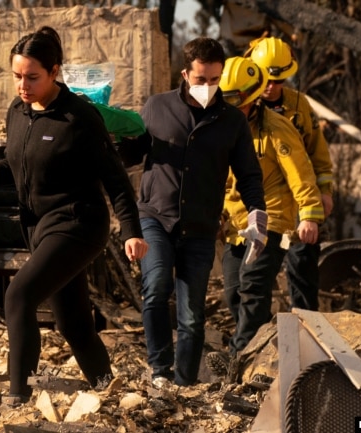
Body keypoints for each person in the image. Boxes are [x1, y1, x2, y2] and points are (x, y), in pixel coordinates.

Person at [0, 26, 148, 404]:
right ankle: (109, 392)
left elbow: (116, 180)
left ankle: (17, 398)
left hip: (79, 224)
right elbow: (15, 164)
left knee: (19, 296)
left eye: (33, 77)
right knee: (74, 324)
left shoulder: (81, 118)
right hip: (38, 228)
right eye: (17, 76)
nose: (23, 85)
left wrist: (131, 233)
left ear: (55, 71)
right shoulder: (18, 113)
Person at [117, 37, 267, 387]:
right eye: (201, 80)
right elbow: (130, 155)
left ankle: (183, 384)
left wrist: (258, 213)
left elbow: (248, 173)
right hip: (155, 215)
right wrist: (112, 131)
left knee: (191, 315)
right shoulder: (156, 107)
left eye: (215, 80)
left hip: (200, 226)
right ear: (185, 73)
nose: (208, 87)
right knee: (155, 287)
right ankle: (159, 372)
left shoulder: (231, 121)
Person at [205, 56, 325, 379]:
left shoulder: (277, 128)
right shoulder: (218, 129)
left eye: (235, 102)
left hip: (271, 222)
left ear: (251, 99)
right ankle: (264, 348)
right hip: (236, 226)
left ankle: (237, 362)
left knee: (253, 287)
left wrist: (309, 214)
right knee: (234, 292)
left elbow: (301, 173)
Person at [248, 36, 334, 311]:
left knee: (303, 268)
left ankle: (308, 332)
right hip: (260, 202)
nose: (272, 88)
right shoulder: (241, 106)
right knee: (251, 277)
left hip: (299, 202)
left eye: (280, 81)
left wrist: (324, 193)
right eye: (266, 80)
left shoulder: (299, 105)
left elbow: (317, 154)